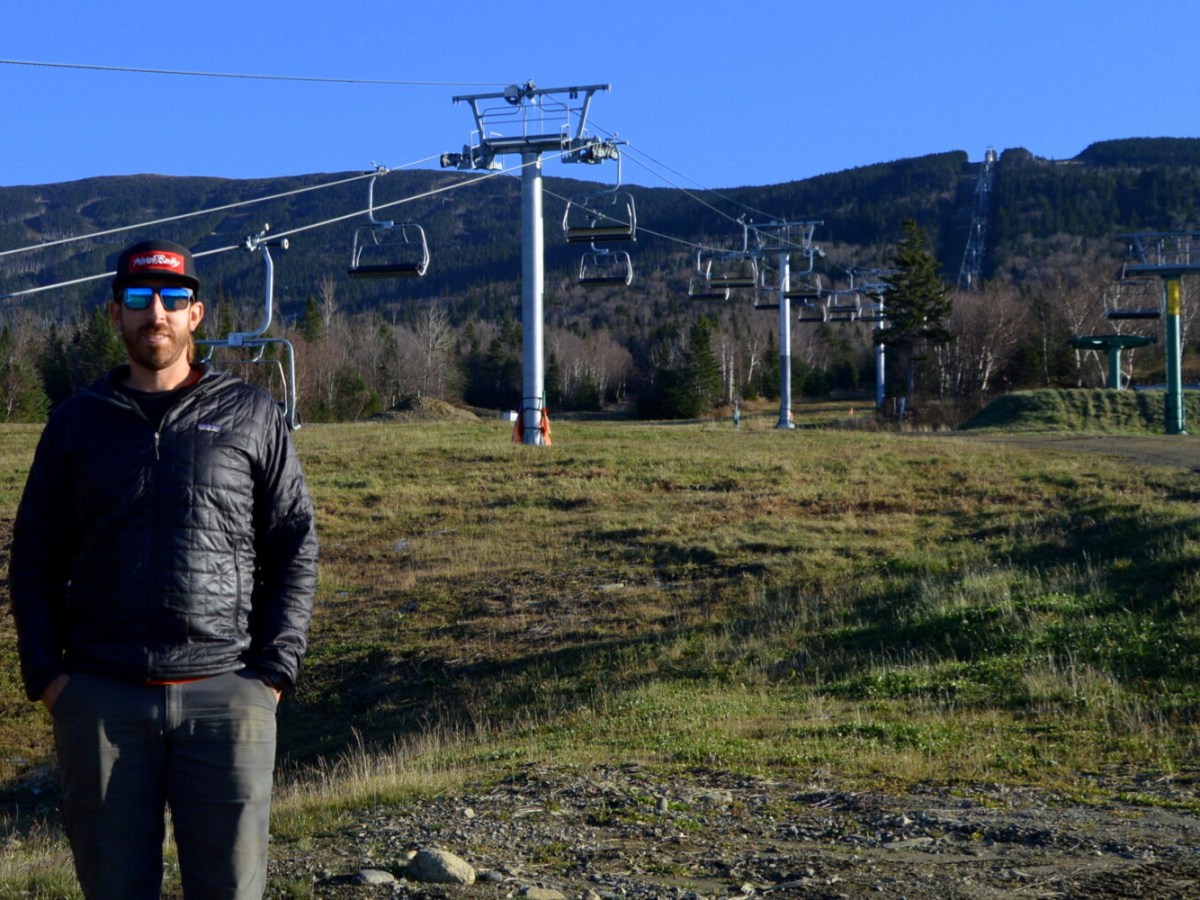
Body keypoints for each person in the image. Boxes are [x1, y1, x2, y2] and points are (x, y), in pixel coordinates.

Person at [10, 238, 318, 899]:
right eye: (140, 297)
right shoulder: (75, 424)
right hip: (101, 700)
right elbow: (33, 554)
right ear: (115, 313)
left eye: (174, 299)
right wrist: (50, 679)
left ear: (195, 315)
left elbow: (293, 544)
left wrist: (272, 674)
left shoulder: (251, 415)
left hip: (228, 695)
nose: (158, 312)